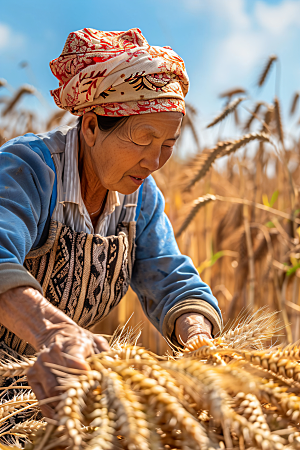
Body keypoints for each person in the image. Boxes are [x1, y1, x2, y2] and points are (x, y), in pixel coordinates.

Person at [0, 28, 222, 416]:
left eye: (167, 145)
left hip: (47, 389)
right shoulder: (28, 170)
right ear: (90, 127)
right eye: (142, 138)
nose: (153, 163)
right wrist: (51, 331)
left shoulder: (141, 197)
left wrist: (199, 337)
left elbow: (170, 279)